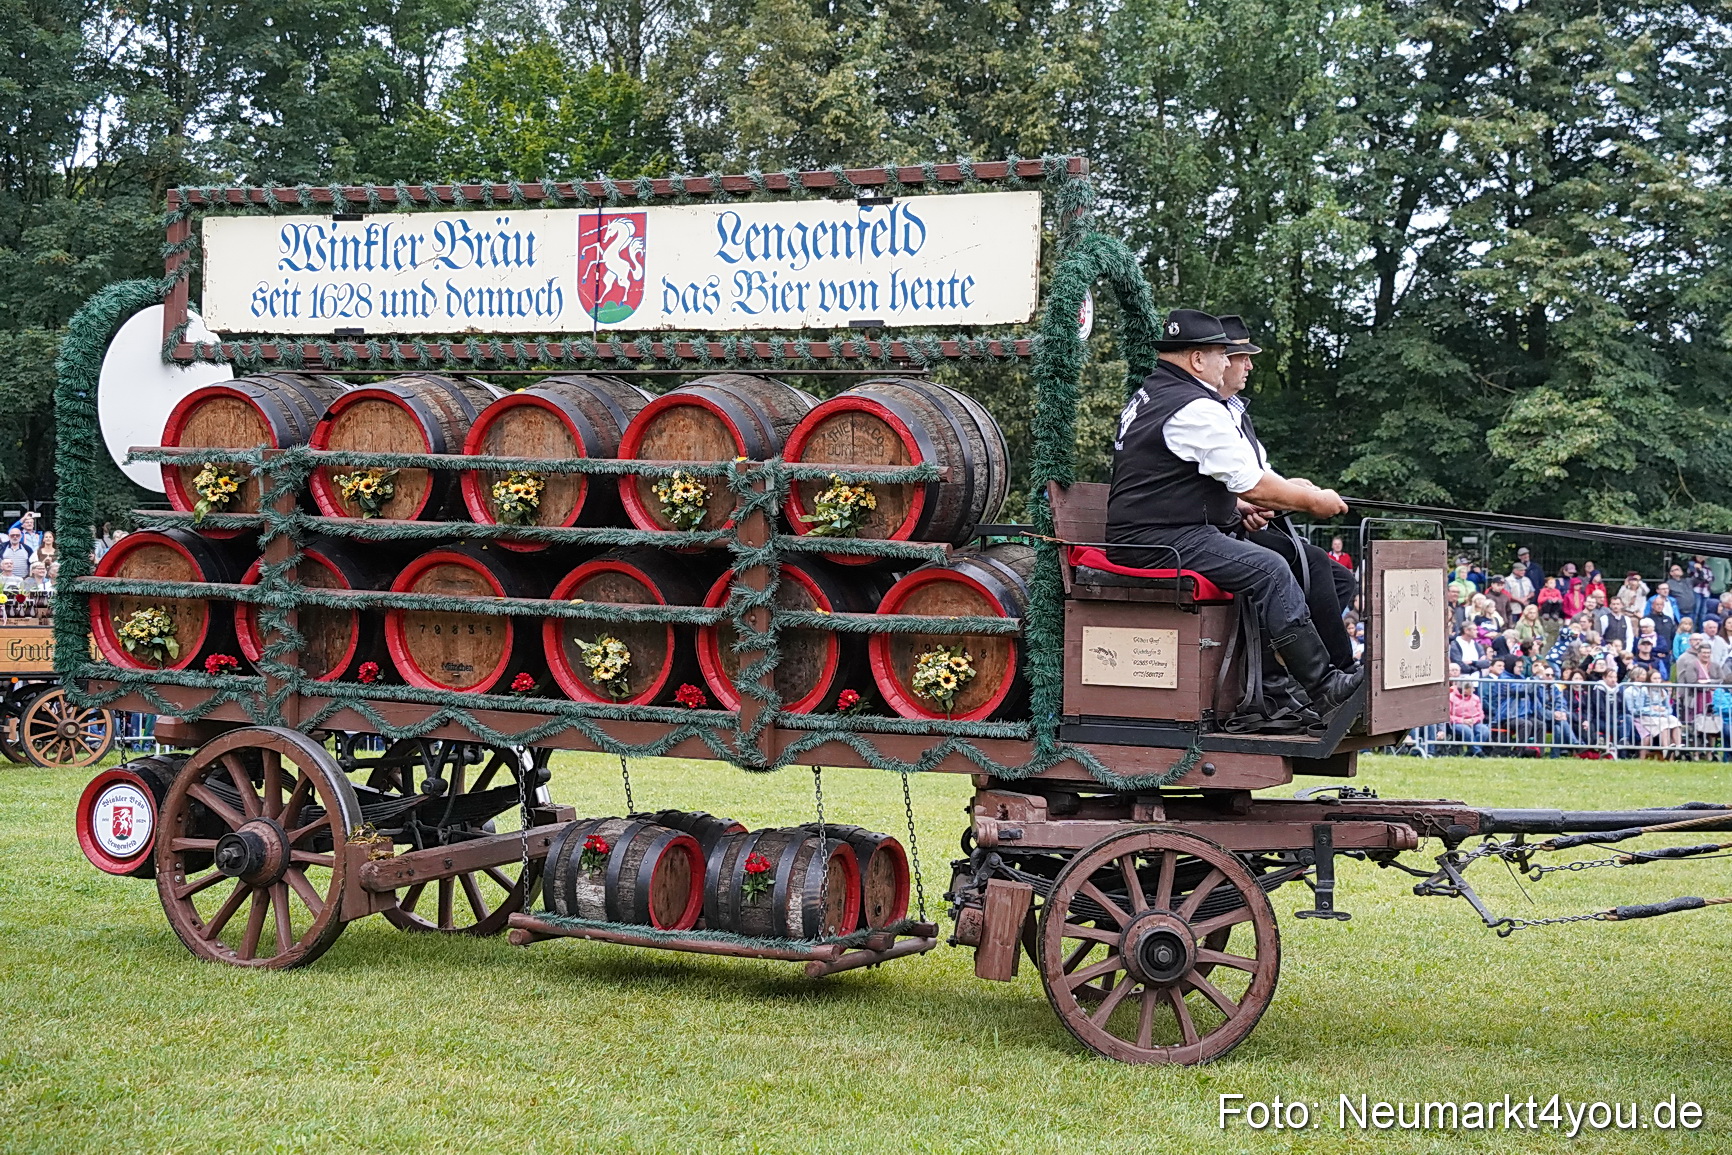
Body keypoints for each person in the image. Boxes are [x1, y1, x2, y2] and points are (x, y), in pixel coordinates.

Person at [1105, 308, 1362, 725]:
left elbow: (1178, 478)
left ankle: (1282, 687)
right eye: (1222, 353)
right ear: (1196, 359)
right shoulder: (1193, 408)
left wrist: (1240, 506)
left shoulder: (1160, 394)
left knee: (1290, 567)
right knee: (1271, 569)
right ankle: (1323, 689)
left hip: (1160, 531)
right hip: (1159, 540)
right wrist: (1313, 503)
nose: (1228, 361)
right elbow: (1254, 483)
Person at [1213, 313, 1362, 669]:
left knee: (1341, 580)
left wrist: (1292, 487)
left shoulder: (1237, 413)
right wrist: (1251, 503)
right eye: (1242, 357)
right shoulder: (1203, 413)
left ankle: (1279, 662)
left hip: (1239, 523)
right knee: (1308, 561)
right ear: (1220, 360)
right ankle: (1338, 672)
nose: (1249, 365)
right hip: (1215, 531)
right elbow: (1212, 484)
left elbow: (1260, 473)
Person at [1447, 664, 1490, 756]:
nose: (1474, 690)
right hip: (1457, 723)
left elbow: (1481, 714)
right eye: (1471, 688)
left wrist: (1473, 720)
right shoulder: (1451, 697)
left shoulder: (1475, 698)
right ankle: (1478, 752)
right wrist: (1462, 721)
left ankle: (1471, 752)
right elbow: (1448, 715)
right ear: (1464, 689)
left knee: (1484, 730)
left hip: (1474, 722)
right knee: (1467, 731)